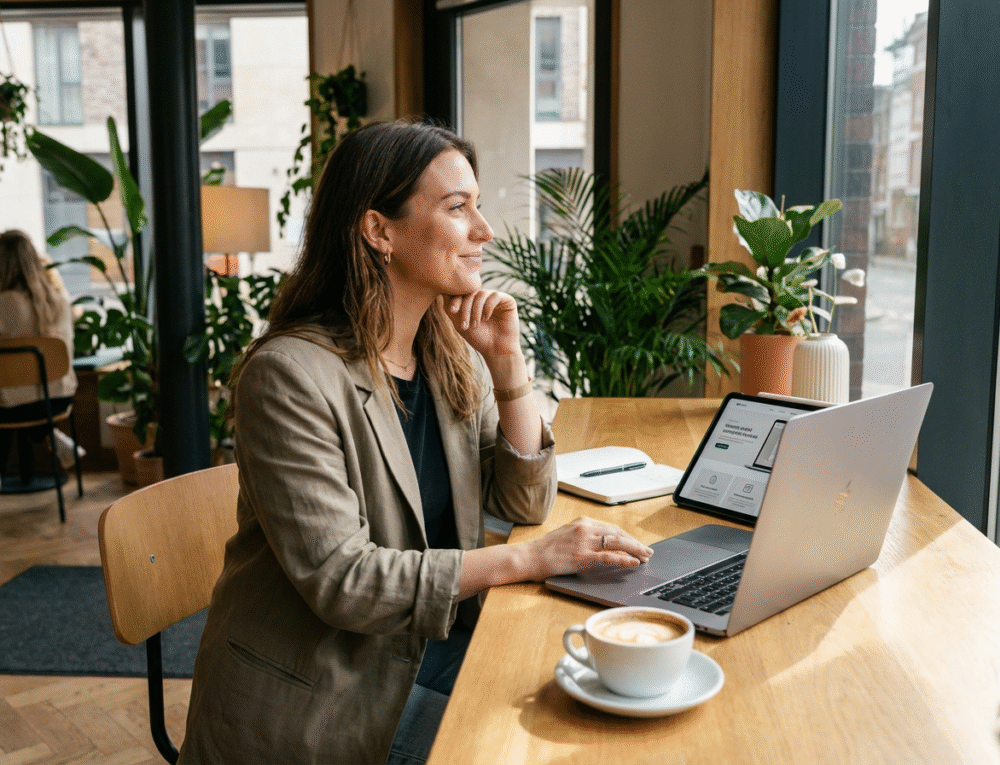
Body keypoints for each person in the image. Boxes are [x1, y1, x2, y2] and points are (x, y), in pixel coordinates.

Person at [177, 120, 653, 765]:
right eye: (458, 208)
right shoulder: (288, 376)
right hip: (318, 707)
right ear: (379, 231)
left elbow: (522, 502)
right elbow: (344, 579)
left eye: (477, 206)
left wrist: (509, 368)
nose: (483, 232)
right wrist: (529, 560)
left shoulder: (447, 353)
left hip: (423, 654)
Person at [0, 230, 78, 483]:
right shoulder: (60, 300)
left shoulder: (4, 304)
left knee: (11, 397)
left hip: (11, 407)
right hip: (57, 399)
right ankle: (50, 436)